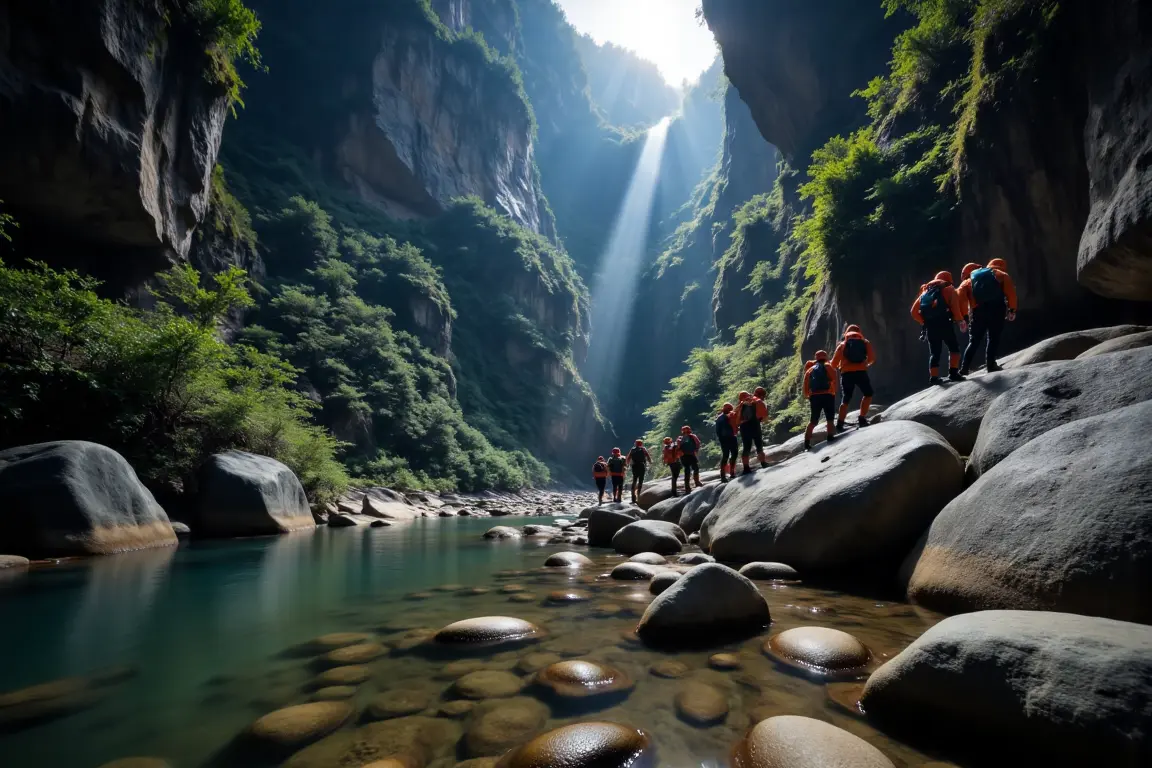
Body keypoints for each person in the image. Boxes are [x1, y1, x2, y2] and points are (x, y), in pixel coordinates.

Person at [960, 258, 1018, 375]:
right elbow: (1011, 294)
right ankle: (991, 365)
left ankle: (964, 369)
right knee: (993, 338)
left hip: (978, 312)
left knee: (974, 341)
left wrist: (963, 317)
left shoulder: (970, 280)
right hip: (997, 309)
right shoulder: (1001, 275)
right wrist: (1012, 310)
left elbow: (960, 297)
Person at [911, 270, 968, 385]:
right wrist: (960, 321)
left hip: (931, 327)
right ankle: (953, 373)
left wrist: (925, 322)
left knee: (934, 352)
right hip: (945, 323)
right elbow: (955, 308)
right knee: (954, 348)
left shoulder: (925, 291)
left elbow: (913, 312)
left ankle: (934, 377)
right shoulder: (949, 289)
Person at [830, 324, 875, 432]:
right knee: (868, 394)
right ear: (859, 332)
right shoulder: (865, 343)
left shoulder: (843, 345)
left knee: (846, 399)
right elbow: (872, 359)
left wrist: (841, 365)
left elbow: (834, 364)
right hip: (861, 372)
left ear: (846, 333)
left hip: (846, 374)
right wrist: (864, 363)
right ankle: (862, 418)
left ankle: (840, 424)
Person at [803, 350, 838, 451]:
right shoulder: (829, 367)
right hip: (828, 395)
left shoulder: (810, 370)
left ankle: (806, 443)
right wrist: (833, 392)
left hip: (814, 397)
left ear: (816, 358)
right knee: (830, 418)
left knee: (813, 420)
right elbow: (834, 380)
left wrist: (808, 396)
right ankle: (830, 436)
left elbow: (806, 386)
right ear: (825, 357)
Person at [737, 389, 769, 475]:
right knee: (759, 445)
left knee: (746, 448)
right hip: (755, 425)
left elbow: (737, 419)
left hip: (744, 428)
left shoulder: (740, 405)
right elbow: (764, 417)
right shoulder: (756, 401)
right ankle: (763, 463)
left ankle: (746, 468)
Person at [714, 403, 740, 482]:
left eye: (730, 409)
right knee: (727, 455)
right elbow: (718, 431)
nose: (729, 410)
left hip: (731, 437)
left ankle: (731, 472)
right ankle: (723, 475)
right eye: (728, 409)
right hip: (726, 438)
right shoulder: (721, 418)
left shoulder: (726, 416)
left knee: (733, 454)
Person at [677, 426, 702, 493]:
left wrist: (696, 450)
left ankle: (691, 485)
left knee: (691, 469)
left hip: (688, 455)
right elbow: (698, 443)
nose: (686, 432)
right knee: (691, 469)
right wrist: (696, 450)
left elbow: (698, 443)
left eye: (686, 430)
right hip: (687, 455)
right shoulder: (683, 438)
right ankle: (692, 484)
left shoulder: (682, 438)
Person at [626, 439, 652, 504]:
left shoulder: (632, 449)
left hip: (634, 466)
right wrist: (650, 462)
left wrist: (627, 465)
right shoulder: (643, 449)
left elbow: (628, 458)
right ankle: (638, 495)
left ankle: (633, 496)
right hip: (641, 466)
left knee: (634, 480)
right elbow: (648, 456)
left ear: (635, 444)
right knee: (640, 480)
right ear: (641, 444)